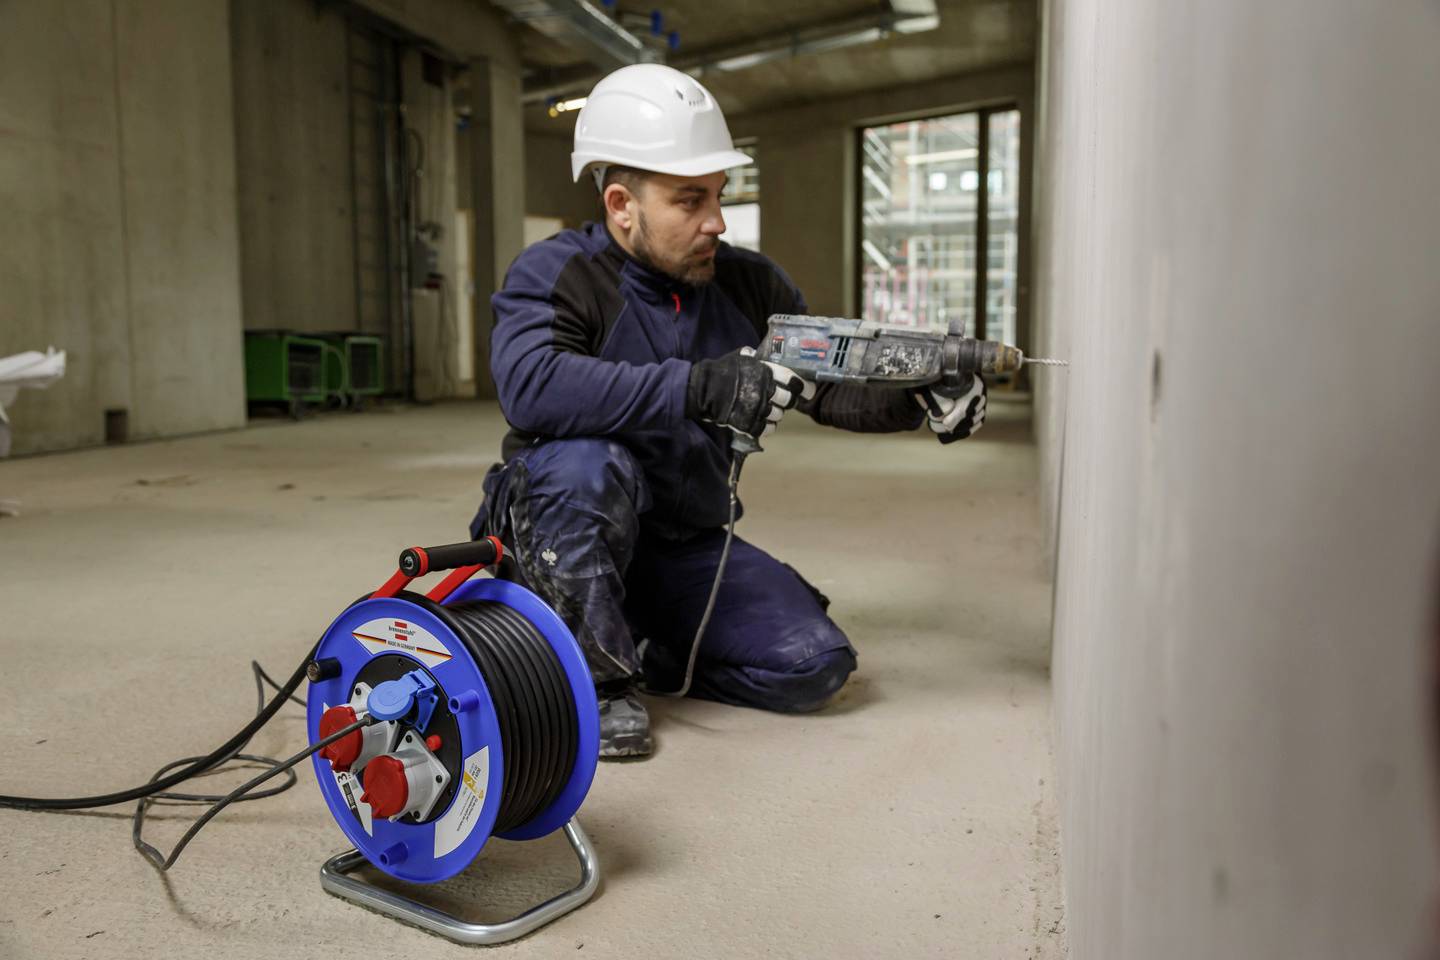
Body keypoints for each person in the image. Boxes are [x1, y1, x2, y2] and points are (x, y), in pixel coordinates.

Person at [469, 64, 987, 759]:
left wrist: (917, 395)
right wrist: (698, 387)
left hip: (685, 544)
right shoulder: (555, 273)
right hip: (562, 529)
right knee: (589, 464)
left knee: (813, 665)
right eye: (690, 201)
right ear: (622, 204)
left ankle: (642, 648)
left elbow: (827, 385)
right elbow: (533, 384)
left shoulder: (749, 284)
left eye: (718, 195)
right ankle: (593, 681)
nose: (716, 221)